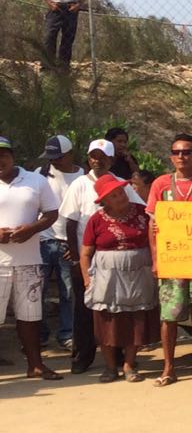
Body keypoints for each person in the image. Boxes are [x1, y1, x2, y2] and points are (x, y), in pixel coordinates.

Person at [60, 139, 146, 373]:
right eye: (93, 156)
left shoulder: (121, 184)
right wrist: (77, 258)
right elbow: (70, 221)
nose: (97, 160)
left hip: (119, 261)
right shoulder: (79, 184)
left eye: (102, 156)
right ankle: (82, 357)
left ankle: (118, 358)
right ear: (88, 158)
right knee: (85, 311)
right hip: (87, 255)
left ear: (111, 159)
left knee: (117, 310)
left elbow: (142, 211)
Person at [146, 133, 192, 386]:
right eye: (176, 152)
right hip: (172, 261)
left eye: (187, 152)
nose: (181, 156)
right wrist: (156, 260)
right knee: (169, 315)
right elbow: (153, 225)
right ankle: (168, 367)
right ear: (170, 156)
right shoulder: (161, 185)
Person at [79, 174, 158, 383]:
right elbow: (85, 253)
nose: (120, 197)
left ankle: (129, 364)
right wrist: (87, 279)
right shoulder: (96, 220)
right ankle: (110, 366)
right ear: (104, 201)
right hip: (107, 276)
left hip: (138, 273)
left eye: (121, 192)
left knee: (135, 319)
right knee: (106, 321)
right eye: (113, 195)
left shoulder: (142, 213)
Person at [0, 136, 62, 379]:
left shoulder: (35, 181)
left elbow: (51, 213)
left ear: (13, 155)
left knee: (30, 316)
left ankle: (35, 365)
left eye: (3, 154)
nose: (0, 159)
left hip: (29, 261)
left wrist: (31, 229)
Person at [37, 134, 83, 352]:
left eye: (58, 157)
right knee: (38, 291)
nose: (53, 161)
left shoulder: (83, 177)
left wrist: (75, 246)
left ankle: (67, 334)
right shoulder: (40, 174)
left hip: (68, 243)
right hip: (43, 241)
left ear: (70, 154)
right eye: (50, 157)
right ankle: (40, 334)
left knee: (68, 292)